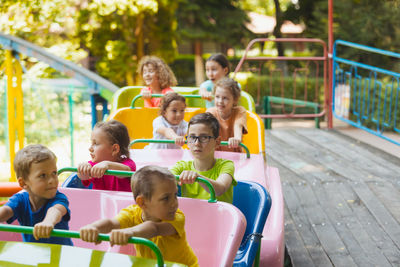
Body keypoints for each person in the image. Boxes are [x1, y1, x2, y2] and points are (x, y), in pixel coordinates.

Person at [79, 165, 199, 267]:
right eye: (166, 198)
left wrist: (129, 232)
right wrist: (94, 228)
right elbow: (111, 223)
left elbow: (153, 228)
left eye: (175, 195)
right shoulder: (131, 213)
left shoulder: (177, 217)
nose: (174, 203)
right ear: (142, 202)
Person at [0, 144, 73, 245]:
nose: (52, 180)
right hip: (34, 256)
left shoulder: (58, 198)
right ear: (23, 183)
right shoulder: (20, 199)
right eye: (43, 175)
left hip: (60, 256)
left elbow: (56, 210)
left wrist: (48, 222)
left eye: (54, 173)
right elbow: (6, 210)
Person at [170, 112, 237, 203]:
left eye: (204, 137)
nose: (197, 143)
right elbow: (164, 181)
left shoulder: (226, 165)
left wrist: (198, 177)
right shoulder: (181, 166)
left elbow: (220, 189)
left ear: (217, 142)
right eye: (192, 137)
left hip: (219, 216)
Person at [77, 120, 136, 192]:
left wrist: (107, 164)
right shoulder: (94, 164)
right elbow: (84, 178)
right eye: (91, 143)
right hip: (100, 202)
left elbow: (126, 171)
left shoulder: (128, 164)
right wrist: (83, 169)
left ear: (114, 149)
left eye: (95, 144)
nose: (90, 148)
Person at [207, 77, 247, 153]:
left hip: (235, 155)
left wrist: (237, 138)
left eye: (225, 98)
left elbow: (238, 125)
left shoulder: (239, 111)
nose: (220, 101)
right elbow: (206, 131)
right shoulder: (210, 113)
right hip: (215, 156)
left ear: (235, 100)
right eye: (217, 97)